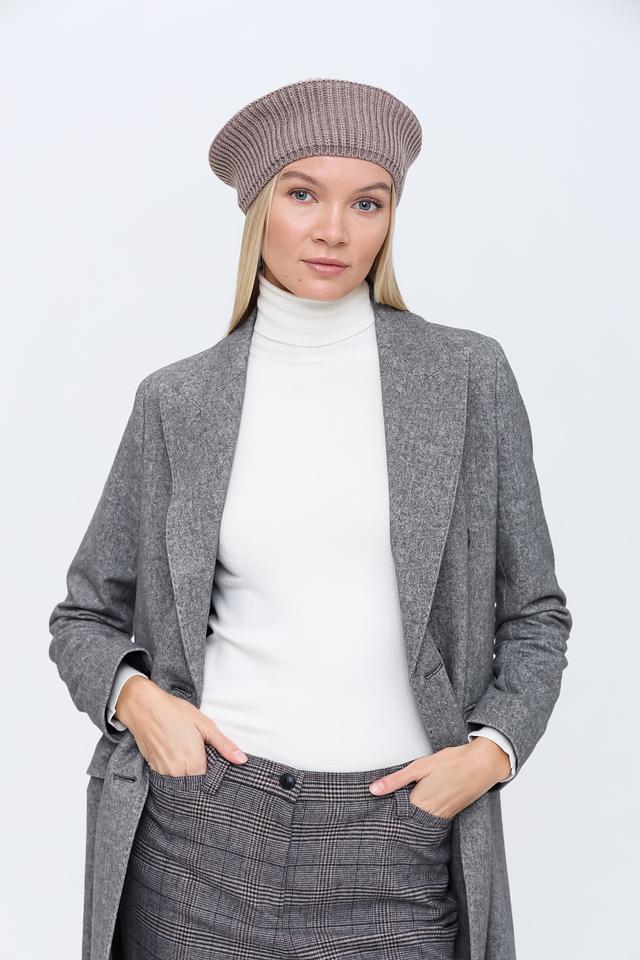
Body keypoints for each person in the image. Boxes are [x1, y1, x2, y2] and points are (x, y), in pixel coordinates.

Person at [49, 78, 572, 960]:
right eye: (303, 194)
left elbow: (535, 613)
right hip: (200, 836)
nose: (334, 230)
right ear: (259, 207)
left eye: (367, 202)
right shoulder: (179, 401)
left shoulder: (465, 379)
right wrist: (138, 702)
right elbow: (85, 615)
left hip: (400, 842)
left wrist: (492, 750)